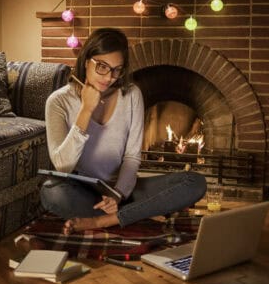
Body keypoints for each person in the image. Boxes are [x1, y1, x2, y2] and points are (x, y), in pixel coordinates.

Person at [40, 28, 206, 234]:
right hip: (85, 192)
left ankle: (105, 221)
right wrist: (85, 111)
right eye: (101, 66)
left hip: (123, 190)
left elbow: (131, 157)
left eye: (116, 69)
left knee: (194, 182)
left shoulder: (132, 95)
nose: (109, 77)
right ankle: (139, 215)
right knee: (51, 191)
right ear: (85, 61)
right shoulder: (58, 101)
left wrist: (118, 194)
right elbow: (63, 166)